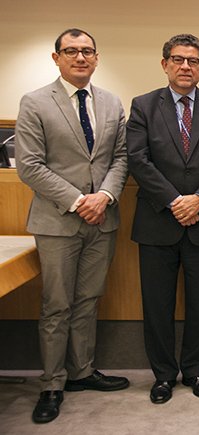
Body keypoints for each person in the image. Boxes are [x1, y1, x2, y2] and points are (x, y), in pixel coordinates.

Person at [15, 28, 130, 424]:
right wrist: (79, 201)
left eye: (87, 51)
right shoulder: (34, 103)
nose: (80, 58)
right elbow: (29, 165)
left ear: (96, 58)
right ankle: (51, 383)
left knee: (88, 299)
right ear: (56, 57)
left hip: (103, 218)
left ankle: (81, 371)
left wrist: (105, 198)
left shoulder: (111, 103)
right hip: (57, 220)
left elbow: (119, 159)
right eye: (71, 51)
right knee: (56, 305)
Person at [127, 34, 199, 404]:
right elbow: (138, 160)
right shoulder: (143, 106)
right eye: (177, 59)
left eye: (193, 61)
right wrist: (175, 200)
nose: (185, 66)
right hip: (158, 220)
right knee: (156, 305)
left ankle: (195, 371)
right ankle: (162, 375)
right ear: (164, 64)